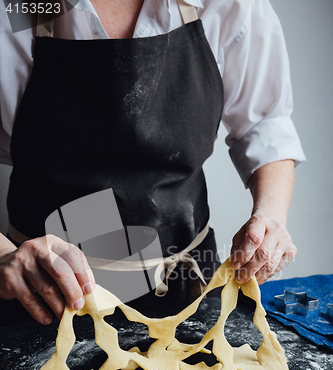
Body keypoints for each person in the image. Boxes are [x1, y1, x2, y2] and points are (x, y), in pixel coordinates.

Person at [0, 0, 305, 326]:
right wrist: (4, 256)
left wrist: (270, 216)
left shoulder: (224, 4)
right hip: (44, 298)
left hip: (190, 292)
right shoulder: (13, 10)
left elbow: (265, 124)